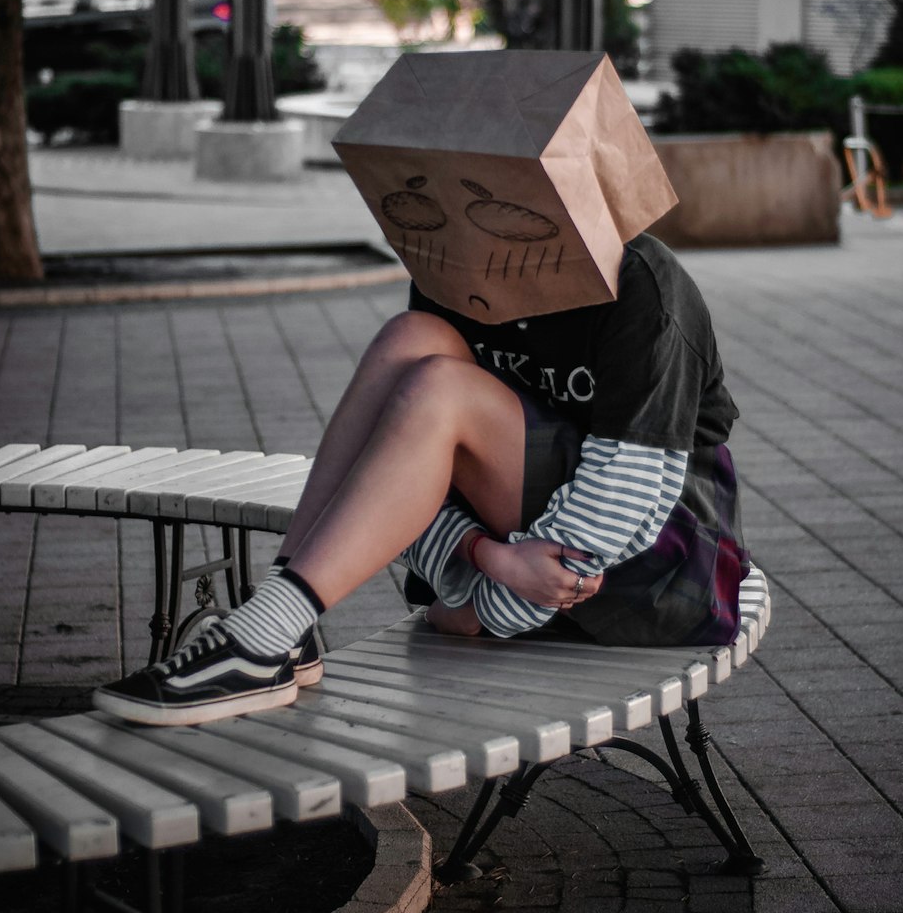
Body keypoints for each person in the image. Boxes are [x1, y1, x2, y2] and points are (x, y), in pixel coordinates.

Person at [94, 54, 750, 728]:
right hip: (517, 550)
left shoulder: (644, 288)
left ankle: (258, 640)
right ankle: (280, 628)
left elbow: (623, 506)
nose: (472, 218)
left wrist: (481, 611)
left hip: (653, 568)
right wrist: (483, 558)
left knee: (441, 389)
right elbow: (405, 462)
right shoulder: (462, 271)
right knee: (412, 340)